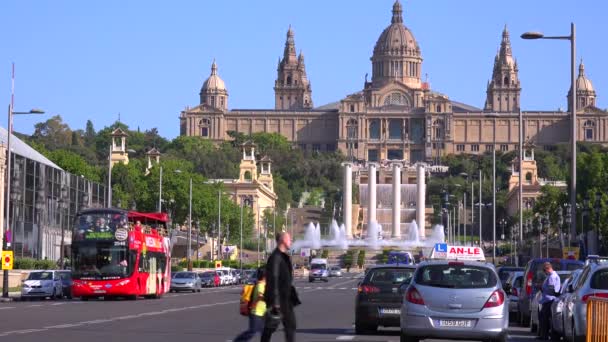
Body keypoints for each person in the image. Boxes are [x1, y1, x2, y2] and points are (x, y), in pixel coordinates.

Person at [261, 232, 300, 342]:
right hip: (279, 299)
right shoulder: (275, 257)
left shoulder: (283, 256)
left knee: (289, 326)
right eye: (289, 239)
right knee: (271, 326)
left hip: (285, 298)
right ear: (283, 240)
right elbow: (273, 279)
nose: (291, 241)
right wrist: (276, 302)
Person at [234, 267, 266, 341]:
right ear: (265, 276)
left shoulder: (263, 284)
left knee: (264, 332)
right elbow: (260, 296)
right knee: (252, 332)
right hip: (256, 313)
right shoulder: (260, 285)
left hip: (262, 313)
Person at [538, 262, 560, 340]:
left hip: (549, 300)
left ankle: (545, 335)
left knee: (545, 318)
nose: (544, 272)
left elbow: (552, 290)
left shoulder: (552, 277)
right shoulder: (550, 276)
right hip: (547, 300)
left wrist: (542, 288)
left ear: (548, 269)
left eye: (544, 270)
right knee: (543, 317)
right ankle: (543, 335)